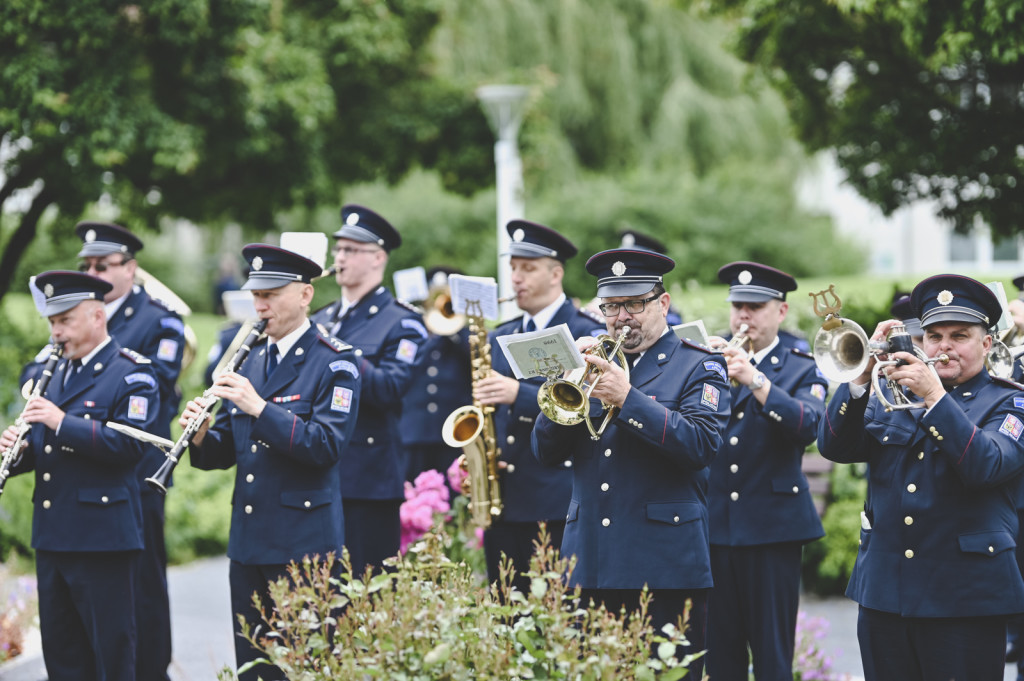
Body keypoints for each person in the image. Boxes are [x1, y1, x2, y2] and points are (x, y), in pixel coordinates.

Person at [532, 248, 731, 678]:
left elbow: (700, 444)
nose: (622, 317)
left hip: (665, 570)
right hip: (589, 564)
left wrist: (628, 398)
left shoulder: (700, 365)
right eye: (611, 306)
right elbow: (543, 452)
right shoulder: (589, 365)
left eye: (635, 303)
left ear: (663, 302)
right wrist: (566, 378)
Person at [817, 273, 1024, 681]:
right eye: (934, 335)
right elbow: (834, 448)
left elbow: (986, 465)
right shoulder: (891, 393)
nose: (943, 347)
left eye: (959, 335)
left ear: (986, 343)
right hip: (885, 595)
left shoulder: (1010, 400)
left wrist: (934, 397)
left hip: (965, 598)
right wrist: (859, 381)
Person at [182, 244, 360, 681]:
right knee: (253, 668)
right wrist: (203, 436)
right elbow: (231, 447)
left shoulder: (336, 362)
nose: (260, 305)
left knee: (302, 667)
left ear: (304, 295)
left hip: (302, 547)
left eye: (272, 294)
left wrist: (261, 408)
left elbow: (325, 446)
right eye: (256, 295)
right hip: (249, 542)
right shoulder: (251, 357)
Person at [1, 270, 160, 681]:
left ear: (96, 316)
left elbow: (130, 448)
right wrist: (17, 452)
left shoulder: (133, 374)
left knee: (111, 653)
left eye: (65, 321)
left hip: (102, 539)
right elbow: (43, 449)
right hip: (53, 535)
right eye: (52, 323)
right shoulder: (52, 374)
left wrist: (58, 421)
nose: (56, 333)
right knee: (63, 655)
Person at [705, 261, 827, 681]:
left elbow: (809, 426)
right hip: (714, 526)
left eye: (755, 307)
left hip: (773, 530)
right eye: (738, 306)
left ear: (781, 311)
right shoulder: (708, 356)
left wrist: (756, 381)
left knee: (773, 655)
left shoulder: (800, 364)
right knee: (719, 656)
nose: (743, 316)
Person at [77, 221, 183, 681]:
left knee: (142, 584)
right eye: (87, 265)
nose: (94, 272)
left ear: (131, 268)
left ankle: (152, 671)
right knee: (91, 584)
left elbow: (155, 384)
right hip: (86, 469)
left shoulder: (160, 319)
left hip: (138, 470)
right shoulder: (80, 314)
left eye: (104, 264)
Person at [476, 219, 605, 591]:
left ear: (556, 273)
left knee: (559, 616)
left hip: (558, 500)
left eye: (528, 268)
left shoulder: (586, 331)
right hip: (506, 499)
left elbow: (592, 407)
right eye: (513, 268)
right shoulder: (501, 334)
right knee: (505, 617)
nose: (516, 278)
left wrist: (518, 394)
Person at [310, 204, 426, 575]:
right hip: (315, 472)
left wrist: (335, 347)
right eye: (338, 249)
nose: (339, 257)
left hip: (368, 480)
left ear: (378, 258)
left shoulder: (403, 322)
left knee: (366, 594)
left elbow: (389, 388)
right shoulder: (321, 317)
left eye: (350, 250)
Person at [400, 266, 472, 480]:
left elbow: (473, 362)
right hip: (414, 432)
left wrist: (453, 332)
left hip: (453, 432)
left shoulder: (464, 336)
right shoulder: (414, 334)